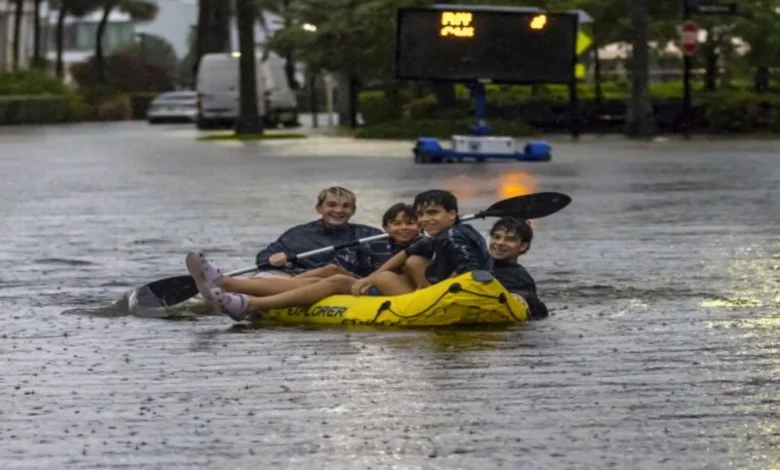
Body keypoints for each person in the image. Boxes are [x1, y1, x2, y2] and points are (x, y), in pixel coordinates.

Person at [187, 203, 421, 319]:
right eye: (397, 224)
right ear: (386, 227)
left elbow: (398, 271)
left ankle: (245, 298)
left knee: (337, 280)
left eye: (410, 223)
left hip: (395, 294)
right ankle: (223, 283)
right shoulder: (378, 242)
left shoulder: (423, 244)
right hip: (373, 285)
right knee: (330, 269)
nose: (404, 228)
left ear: (419, 225)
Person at [349, 189, 492, 296]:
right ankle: (424, 297)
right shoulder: (442, 235)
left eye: (433, 212)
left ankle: (422, 302)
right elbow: (407, 252)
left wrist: (439, 294)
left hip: (469, 292)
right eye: (420, 214)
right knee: (413, 260)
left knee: (384, 278)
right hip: (450, 289)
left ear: (452, 214)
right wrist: (369, 279)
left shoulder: (454, 235)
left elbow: (469, 268)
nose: (425, 219)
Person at [254, 186, 383, 277]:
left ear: (353, 211)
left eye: (346, 206)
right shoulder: (298, 235)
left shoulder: (370, 235)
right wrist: (273, 258)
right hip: (302, 282)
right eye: (332, 205)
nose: (339, 210)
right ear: (319, 208)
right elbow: (262, 258)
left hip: (349, 285)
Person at [487, 217, 549, 320]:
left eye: (510, 239)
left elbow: (532, 301)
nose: (500, 243)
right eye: (496, 237)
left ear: (523, 246)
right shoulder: (474, 263)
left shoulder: (520, 278)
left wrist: (520, 296)